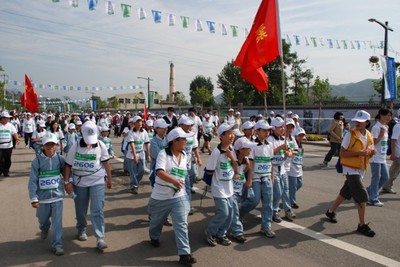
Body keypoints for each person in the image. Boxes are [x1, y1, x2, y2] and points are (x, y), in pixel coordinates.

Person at [148, 127, 197, 266]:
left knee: (181, 224)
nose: (186, 142)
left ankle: (184, 254)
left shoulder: (185, 155)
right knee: (156, 223)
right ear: (175, 141)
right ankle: (154, 236)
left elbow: (184, 175)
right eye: (184, 139)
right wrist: (174, 181)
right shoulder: (163, 154)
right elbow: (159, 172)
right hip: (160, 196)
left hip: (178, 196)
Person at [325, 110, 376, 237]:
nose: (358, 123)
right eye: (356, 121)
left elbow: (370, 149)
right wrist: (359, 153)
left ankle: (330, 211)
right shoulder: (350, 134)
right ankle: (362, 225)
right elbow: (342, 153)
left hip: (361, 167)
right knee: (361, 195)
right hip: (350, 168)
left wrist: (371, 152)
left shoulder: (369, 135)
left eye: (361, 121)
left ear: (367, 122)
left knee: (345, 192)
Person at [64, 121, 113, 250]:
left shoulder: (101, 145)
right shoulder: (75, 147)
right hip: (80, 183)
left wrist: (109, 178)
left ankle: (100, 237)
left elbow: (106, 163)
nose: (89, 143)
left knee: (97, 209)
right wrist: (66, 182)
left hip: (97, 181)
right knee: (80, 208)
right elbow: (68, 166)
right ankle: (81, 229)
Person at [28, 133, 65, 256]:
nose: (50, 148)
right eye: (47, 145)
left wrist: (70, 184)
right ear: (43, 146)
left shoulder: (60, 159)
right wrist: (34, 198)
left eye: (52, 145)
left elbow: (67, 174)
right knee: (42, 219)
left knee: (57, 222)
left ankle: (57, 245)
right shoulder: (37, 161)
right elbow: (33, 181)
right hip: (42, 199)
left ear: (57, 146)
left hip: (57, 197)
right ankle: (44, 227)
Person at [205, 123, 239, 246]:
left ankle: (221, 234)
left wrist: (231, 157)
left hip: (229, 188)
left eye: (233, 133)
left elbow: (236, 166)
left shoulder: (232, 149)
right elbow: (209, 170)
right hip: (219, 188)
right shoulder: (216, 152)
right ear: (221, 136)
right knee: (223, 212)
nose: (232, 136)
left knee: (230, 214)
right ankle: (210, 232)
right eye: (229, 133)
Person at [230, 137, 258, 243]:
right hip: (231, 191)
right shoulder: (231, 160)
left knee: (233, 212)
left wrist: (248, 180)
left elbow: (247, 169)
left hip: (240, 189)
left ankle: (221, 229)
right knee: (235, 211)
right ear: (240, 150)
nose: (250, 150)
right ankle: (237, 232)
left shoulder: (245, 160)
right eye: (248, 148)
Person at [268, 117, 295, 222]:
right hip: (273, 168)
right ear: (274, 128)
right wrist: (280, 148)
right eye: (280, 127)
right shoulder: (270, 139)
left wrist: (289, 153)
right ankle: (274, 212)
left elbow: (289, 151)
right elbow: (268, 153)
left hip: (282, 168)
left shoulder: (283, 139)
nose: (282, 129)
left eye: (283, 127)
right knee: (277, 192)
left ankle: (288, 210)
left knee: (286, 191)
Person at [366, 108, 391, 206]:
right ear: (381, 115)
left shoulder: (385, 126)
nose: (389, 117)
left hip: (382, 157)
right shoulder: (376, 127)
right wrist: (381, 134)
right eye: (387, 115)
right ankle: (373, 199)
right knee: (376, 178)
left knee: (385, 177)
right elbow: (374, 142)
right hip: (375, 156)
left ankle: (370, 190)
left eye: (390, 115)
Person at [126, 116, 150, 194]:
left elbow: (147, 143)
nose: (140, 123)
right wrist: (135, 156)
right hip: (131, 155)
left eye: (141, 121)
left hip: (141, 154)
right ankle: (134, 186)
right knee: (132, 172)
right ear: (134, 123)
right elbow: (132, 144)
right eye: (138, 122)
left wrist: (148, 155)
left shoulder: (144, 132)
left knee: (142, 170)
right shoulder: (131, 132)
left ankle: (134, 183)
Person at [382, 108, 400, 194]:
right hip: (398, 153)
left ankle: (386, 186)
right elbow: (393, 140)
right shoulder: (398, 126)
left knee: (394, 172)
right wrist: (393, 153)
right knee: (394, 171)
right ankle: (386, 186)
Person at [288, 127, 306, 209]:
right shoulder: (291, 143)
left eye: (302, 135)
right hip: (292, 169)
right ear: (295, 136)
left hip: (299, 168)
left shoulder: (301, 146)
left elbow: (300, 157)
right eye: (299, 135)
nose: (301, 137)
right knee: (293, 186)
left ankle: (288, 195)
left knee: (300, 184)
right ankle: (292, 202)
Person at [0, 111, 20, 176]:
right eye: (7, 118)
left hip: (8, 146)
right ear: (2, 118)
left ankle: (6, 171)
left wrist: (17, 139)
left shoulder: (10, 125)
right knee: (0, 160)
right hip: (0, 146)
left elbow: (14, 133)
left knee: (7, 160)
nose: (8, 119)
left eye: (9, 118)